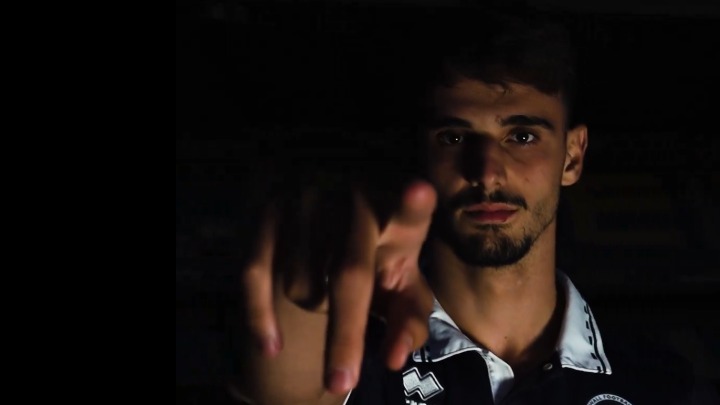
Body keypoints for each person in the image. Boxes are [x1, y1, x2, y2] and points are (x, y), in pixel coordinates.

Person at [230, 7, 714, 405]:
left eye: (522, 136)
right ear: (419, 153)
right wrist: (308, 260)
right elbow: (284, 390)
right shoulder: (355, 351)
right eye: (455, 137)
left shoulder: (659, 382)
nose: (486, 172)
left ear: (572, 155)